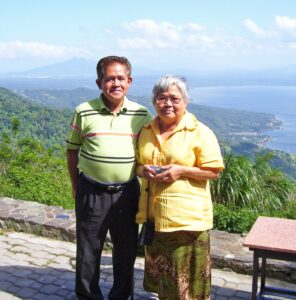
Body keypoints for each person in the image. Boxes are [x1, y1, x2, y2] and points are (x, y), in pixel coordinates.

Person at [66, 55, 152, 300]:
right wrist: (75, 186)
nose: (115, 83)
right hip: (91, 191)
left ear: (130, 81)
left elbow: (148, 153)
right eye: (109, 78)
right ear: (98, 82)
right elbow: (72, 150)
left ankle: (120, 296)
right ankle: (88, 296)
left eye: (120, 78)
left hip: (127, 193)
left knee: (126, 250)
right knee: (88, 250)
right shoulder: (83, 111)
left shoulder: (141, 114)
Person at [135, 75, 224, 300]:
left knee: (187, 286)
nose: (168, 103)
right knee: (165, 283)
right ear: (154, 101)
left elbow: (213, 171)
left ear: (185, 101)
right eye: (162, 98)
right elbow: (137, 165)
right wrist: (142, 170)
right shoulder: (146, 131)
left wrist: (181, 171)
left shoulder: (200, 132)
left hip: (186, 222)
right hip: (154, 218)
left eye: (174, 98)